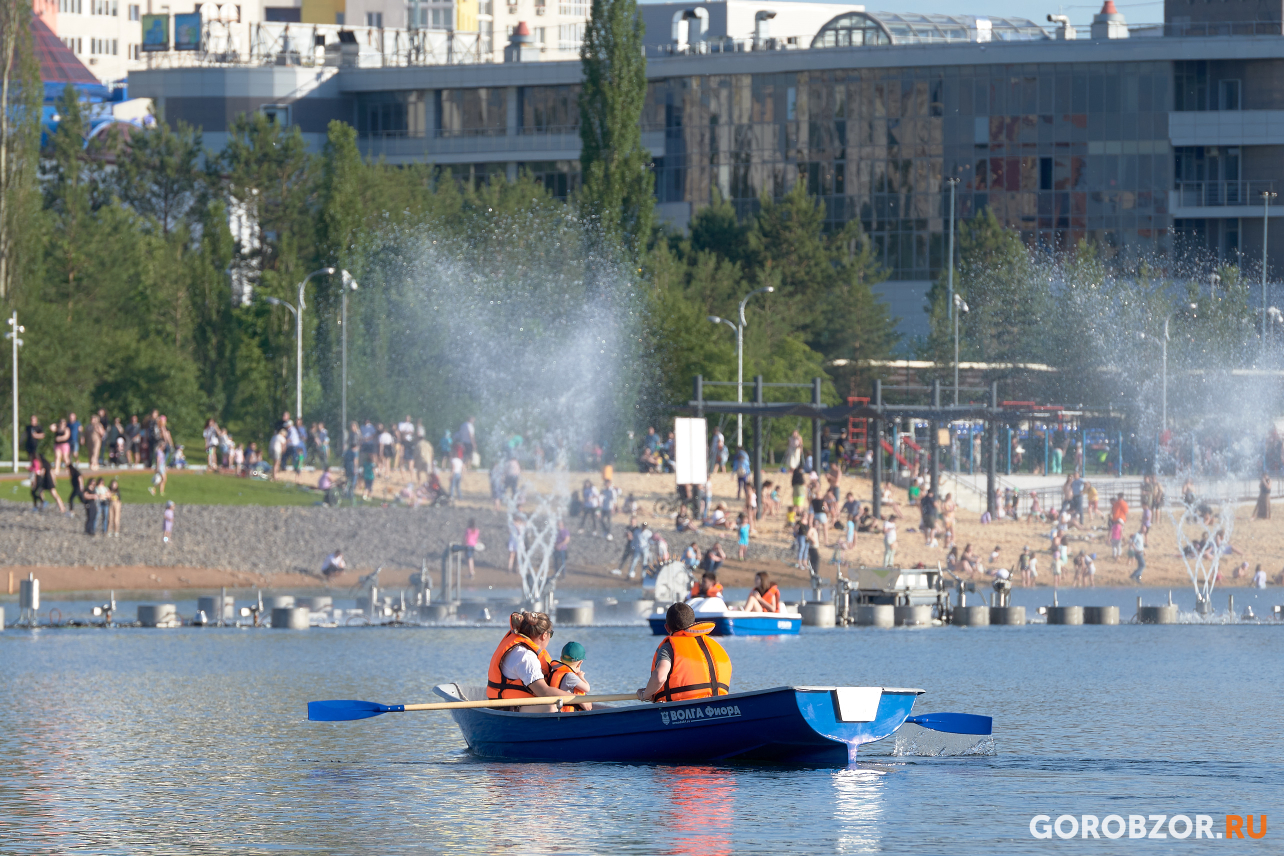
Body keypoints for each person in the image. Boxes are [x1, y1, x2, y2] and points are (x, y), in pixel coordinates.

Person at [636, 602, 732, 703]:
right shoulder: (713, 645)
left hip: (682, 709)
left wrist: (646, 695)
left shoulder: (668, 647)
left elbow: (659, 677)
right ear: (694, 623)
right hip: (720, 705)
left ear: (667, 628)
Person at [486, 611, 563, 711]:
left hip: (518, 704)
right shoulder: (525, 656)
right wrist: (579, 699)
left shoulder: (521, 649)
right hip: (506, 708)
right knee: (550, 708)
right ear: (544, 635)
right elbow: (543, 692)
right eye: (550, 634)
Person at [547, 641, 592, 711]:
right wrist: (581, 677)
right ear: (579, 663)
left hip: (558, 710)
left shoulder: (554, 672)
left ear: (561, 658)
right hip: (568, 713)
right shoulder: (570, 676)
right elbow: (587, 688)